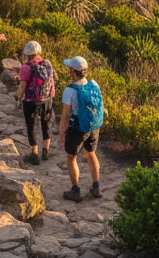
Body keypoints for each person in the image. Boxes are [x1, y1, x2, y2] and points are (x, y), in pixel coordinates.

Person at [58, 55, 104, 202]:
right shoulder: (94, 84)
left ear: (72, 71)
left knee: (71, 158)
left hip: (77, 128)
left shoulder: (70, 91)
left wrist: (61, 134)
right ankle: (96, 187)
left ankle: (75, 190)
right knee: (91, 154)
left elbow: (65, 116)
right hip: (94, 126)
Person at [16, 40, 55, 164]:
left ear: (27, 53)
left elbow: (22, 86)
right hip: (47, 99)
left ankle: (34, 154)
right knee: (46, 124)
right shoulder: (47, 64)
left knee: (31, 126)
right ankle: (46, 151)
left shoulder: (26, 67)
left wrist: (18, 98)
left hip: (31, 101)